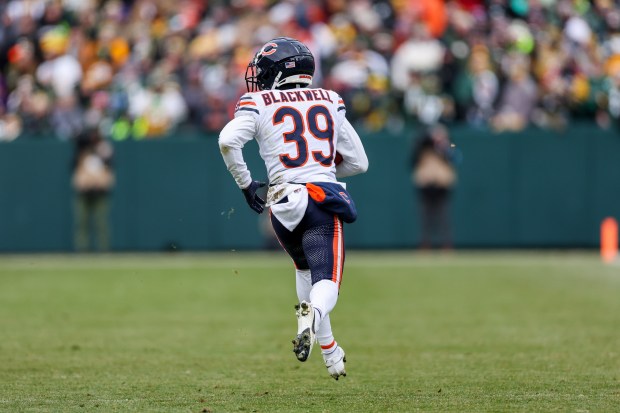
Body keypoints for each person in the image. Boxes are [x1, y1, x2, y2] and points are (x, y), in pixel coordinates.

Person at [218, 37, 368, 380]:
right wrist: (323, 170)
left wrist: (246, 183)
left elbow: (227, 141)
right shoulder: (329, 98)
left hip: (281, 202)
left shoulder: (256, 100)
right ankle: (313, 314)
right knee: (327, 281)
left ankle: (330, 353)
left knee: (305, 271)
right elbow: (359, 162)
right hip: (319, 197)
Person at [411, 124, 456, 250]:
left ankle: (447, 244)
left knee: (443, 217)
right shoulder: (422, 146)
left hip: (442, 185)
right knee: (425, 217)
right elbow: (413, 159)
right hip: (425, 184)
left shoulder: (449, 145)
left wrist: (444, 146)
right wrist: (428, 140)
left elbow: (456, 157)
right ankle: (425, 244)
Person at [72, 128, 114, 251]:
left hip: (100, 192)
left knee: (101, 222)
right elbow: (76, 172)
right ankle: (82, 249)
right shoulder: (81, 151)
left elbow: (109, 171)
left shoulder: (104, 149)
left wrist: (100, 182)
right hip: (83, 192)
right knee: (82, 222)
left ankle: (104, 248)